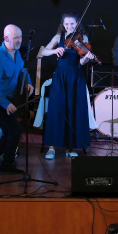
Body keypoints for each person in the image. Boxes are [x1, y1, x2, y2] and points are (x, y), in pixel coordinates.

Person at [0, 24, 33, 174]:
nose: (19, 40)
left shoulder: (16, 53)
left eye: (20, 37)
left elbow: (22, 70)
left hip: (5, 98)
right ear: (6, 38)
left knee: (12, 132)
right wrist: (6, 103)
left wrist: (28, 82)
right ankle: (6, 164)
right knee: (14, 131)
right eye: (16, 38)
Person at [40, 12, 95, 160]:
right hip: (60, 77)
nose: (69, 27)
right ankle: (52, 147)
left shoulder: (83, 39)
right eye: (66, 24)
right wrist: (54, 50)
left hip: (76, 77)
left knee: (74, 110)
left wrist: (87, 58)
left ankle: (70, 147)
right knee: (56, 110)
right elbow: (43, 51)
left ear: (77, 24)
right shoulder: (58, 37)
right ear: (63, 25)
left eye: (72, 24)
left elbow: (81, 62)